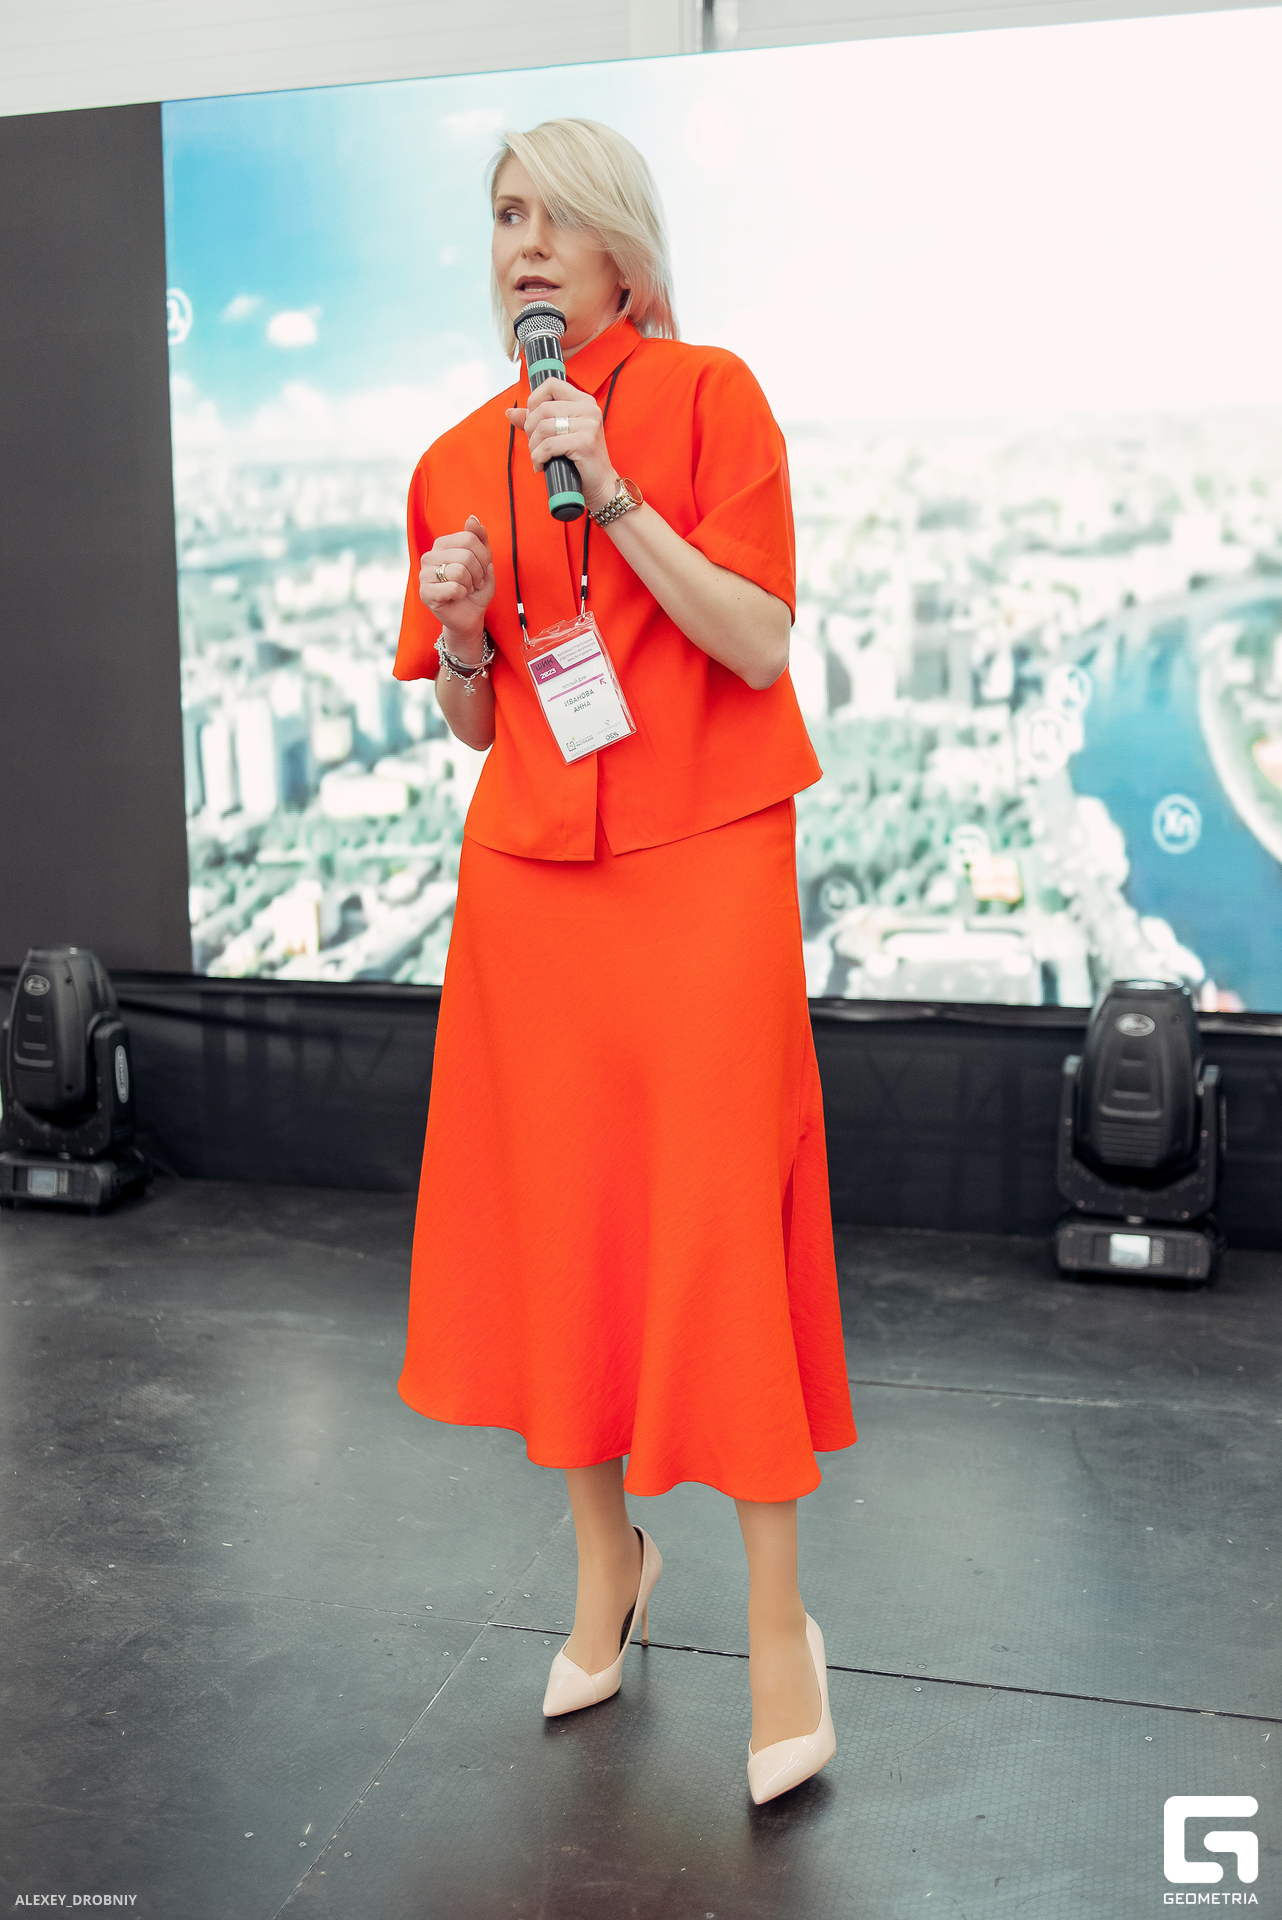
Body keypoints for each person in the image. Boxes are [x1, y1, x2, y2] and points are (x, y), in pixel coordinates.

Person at [393, 117, 857, 1806]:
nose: (522, 242)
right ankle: (608, 1564)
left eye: (554, 216)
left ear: (623, 253)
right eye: (502, 214)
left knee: (720, 1223)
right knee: (565, 1224)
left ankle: (781, 1624)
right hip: (533, 886)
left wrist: (615, 490)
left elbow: (756, 638)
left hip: (705, 861)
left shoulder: (710, 395)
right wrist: (460, 632)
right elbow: (473, 722)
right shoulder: (453, 457)